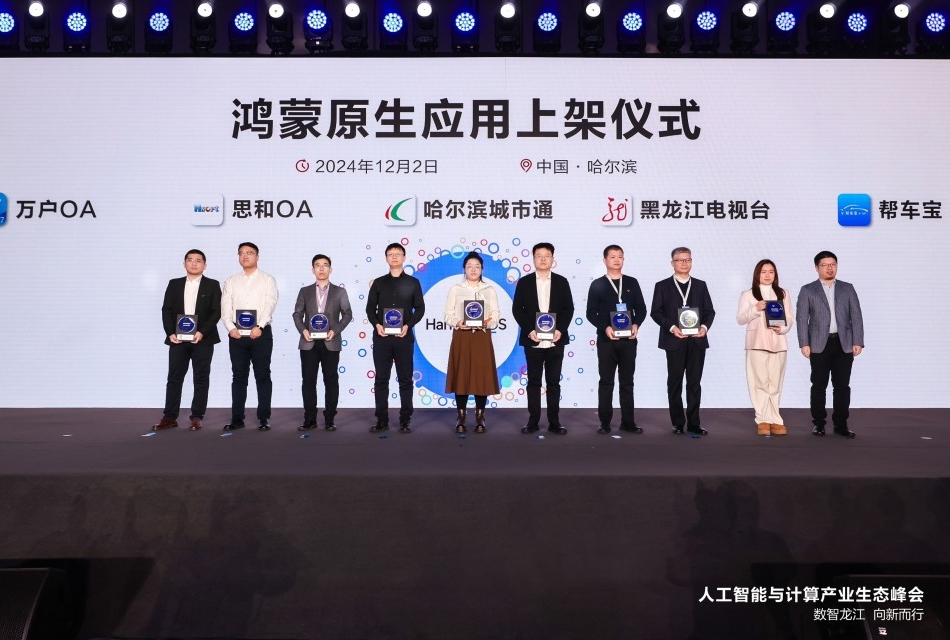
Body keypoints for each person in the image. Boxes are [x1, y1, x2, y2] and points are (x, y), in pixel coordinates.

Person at [796, 251, 864, 439]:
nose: (829, 268)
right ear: (817, 268)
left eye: (833, 264)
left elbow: (856, 315)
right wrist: (804, 343)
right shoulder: (808, 290)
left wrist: (858, 341)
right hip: (819, 343)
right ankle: (819, 423)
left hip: (844, 343)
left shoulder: (847, 288)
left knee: (842, 386)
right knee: (819, 385)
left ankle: (841, 424)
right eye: (825, 265)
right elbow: (802, 318)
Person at [153, 249, 221, 432]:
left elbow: (216, 311)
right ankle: (169, 417)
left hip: (203, 339)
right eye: (190, 260)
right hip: (178, 339)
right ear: (184, 264)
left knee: (201, 378)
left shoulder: (212, 285)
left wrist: (202, 332)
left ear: (205, 265)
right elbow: (166, 309)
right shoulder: (174, 284)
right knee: (174, 378)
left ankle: (197, 417)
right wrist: (170, 332)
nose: (194, 263)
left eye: (198, 260)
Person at [650, 247, 716, 436]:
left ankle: (694, 423)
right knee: (675, 382)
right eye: (680, 260)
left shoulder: (700, 285)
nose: (684, 263)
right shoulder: (662, 286)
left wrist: (704, 327)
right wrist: (672, 327)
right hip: (674, 340)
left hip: (697, 341)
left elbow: (709, 311)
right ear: (672, 263)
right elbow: (656, 312)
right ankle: (678, 423)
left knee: (694, 383)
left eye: (688, 260)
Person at [512, 242, 574, 435]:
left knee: (554, 382)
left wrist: (560, 329)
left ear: (553, 259)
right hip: (533, 339)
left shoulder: (562, 282)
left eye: (547, 255)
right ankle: (533, 422)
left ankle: (555, 422)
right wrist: (529, 330)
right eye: (539, 255)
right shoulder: (524, 282)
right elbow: (517, 309)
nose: (543, 259)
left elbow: (568, 309)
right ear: (533, 259)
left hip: (556, 340)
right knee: (534, 382)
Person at [585, 244, 647, 435]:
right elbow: (590, 313)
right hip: (606, 341)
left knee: (627, 382)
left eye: (620, 256)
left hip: (629, 341)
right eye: (612, 257)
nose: (616, 260)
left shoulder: (632, 282)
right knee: (606, 381)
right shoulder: (597, 284)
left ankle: (628, 422)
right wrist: (605, 327)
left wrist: (636, 324)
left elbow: (642, 309)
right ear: (605, 260)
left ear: (624, 259)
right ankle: (604, 422)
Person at [365, 242, 425, 433]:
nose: (394, 256)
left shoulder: (413, 283)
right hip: (381, 338)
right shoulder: (378, 283)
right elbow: (370, 308)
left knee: (405, 379)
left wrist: (408, 325)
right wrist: (377, 325)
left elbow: (420, 308)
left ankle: (405, 420)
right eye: (390, 254)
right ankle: (381, 420)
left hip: (403, 337)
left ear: (404, 257)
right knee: (381, 379)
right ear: (386, 258)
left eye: (398, 253)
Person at [220, 242, 279, 432]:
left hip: (260, 334)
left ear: (257, 257)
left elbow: (270, 304)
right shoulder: (231, 280)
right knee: (238, 377)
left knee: (263, 375)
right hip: (237, 335)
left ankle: (264, 418)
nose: (245, 256)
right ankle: (237, 419)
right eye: (241, 253)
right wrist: (230, 328)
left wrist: (260, 326)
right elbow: (225, 307)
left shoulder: (268, 279)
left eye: (249, 253)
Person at [292, 254, 353, 432]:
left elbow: (347, 314)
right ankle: (309, 419)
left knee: (331, 380)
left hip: (330, 341)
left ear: (330, 269)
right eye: (317, 265)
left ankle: (330, 419)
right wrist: (303, 330)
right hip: (308, 342)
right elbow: (297, 314)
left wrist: (336, 330)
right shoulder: (304, 291)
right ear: (313, 270)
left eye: (325, 265)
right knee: (308, 381)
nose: (321, 268)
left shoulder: (340, 292)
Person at [444, 251, 501, 434]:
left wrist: (488, 323)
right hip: (462, 336)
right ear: (464, 269)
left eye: (477, 266)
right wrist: (457, 322)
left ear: (482, 269)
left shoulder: (489, 290)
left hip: (482, 337)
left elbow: (496, 314)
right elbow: (448, 314)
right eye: (469, 266)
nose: (473, 269)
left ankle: (480, 418)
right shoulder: (456, 289)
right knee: (461, 375)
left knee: (480, 377)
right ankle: (461, 418)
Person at [736, 259, 794, 437]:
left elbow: (789, 318)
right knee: (759, 382)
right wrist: (756, 308)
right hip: (756, 342)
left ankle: (775, 419)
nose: (768, 275)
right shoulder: (748, 294)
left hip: (778, 342)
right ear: (757, 274)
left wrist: (782, 329)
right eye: (764, 272)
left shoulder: (783, 293)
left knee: (775, 383)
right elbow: (740, 319)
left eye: (771, 272)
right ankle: (762, 419)